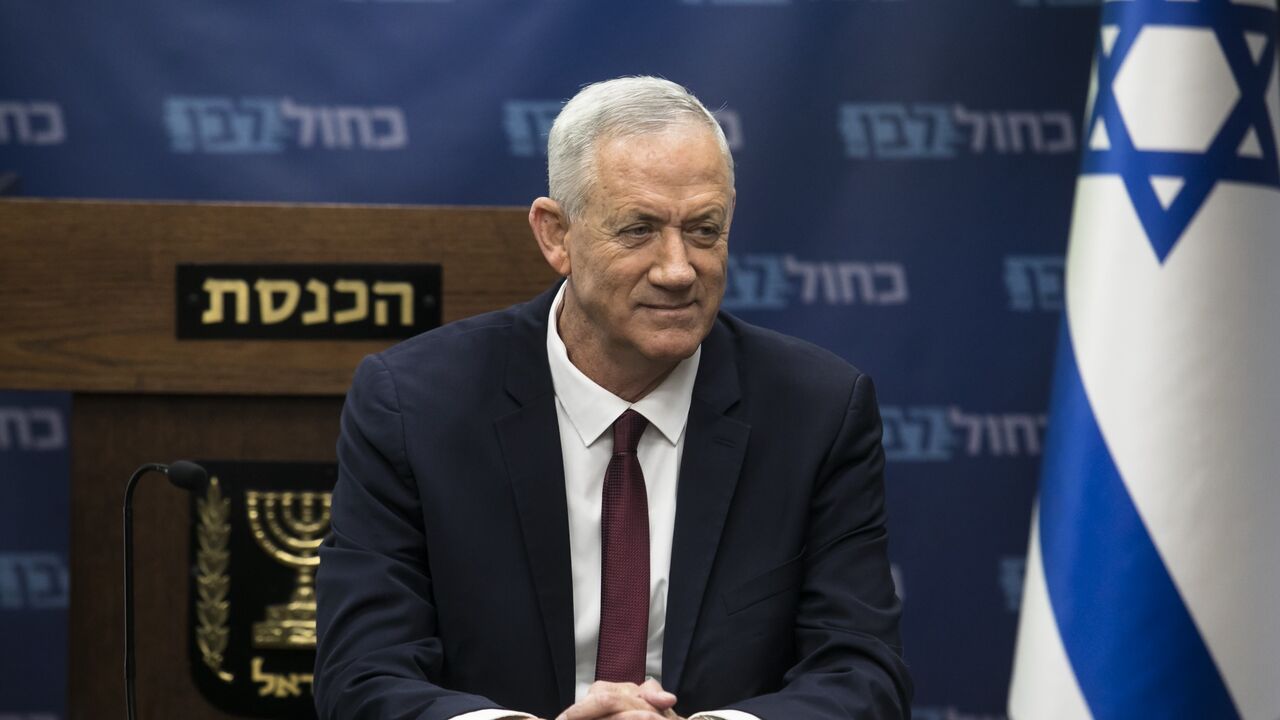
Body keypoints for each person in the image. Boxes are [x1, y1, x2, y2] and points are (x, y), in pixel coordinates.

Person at [314, 76, 911, 720]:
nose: (678, 268)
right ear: (555, 236)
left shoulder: (817, 411)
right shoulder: (415, 406)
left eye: (705, 230)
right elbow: (362, 673)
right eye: (639, 230)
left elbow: (861, 673)